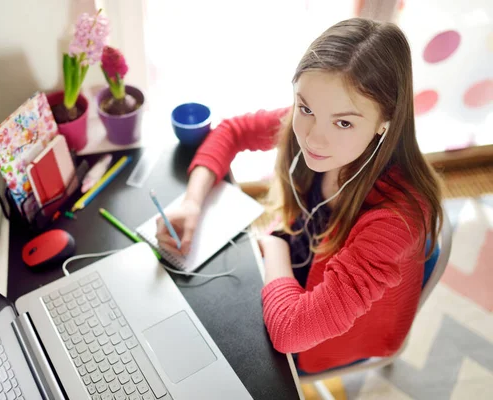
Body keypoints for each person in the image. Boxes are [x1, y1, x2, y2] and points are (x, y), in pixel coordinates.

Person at [155, 17, 443, 374]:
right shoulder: (304, 124)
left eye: (344, 122)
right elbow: (231, 131)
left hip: (328, 337)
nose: (312, 138)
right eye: (306, 108)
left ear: (386, 120)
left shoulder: (397, 219)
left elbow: (291, 332)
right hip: (299, 270)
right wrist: (192, 203)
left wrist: (274, 245)